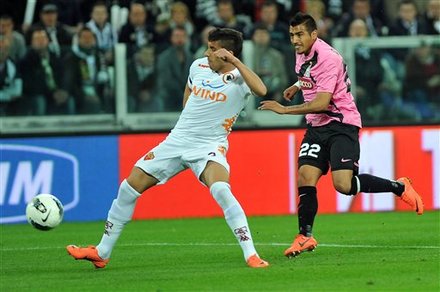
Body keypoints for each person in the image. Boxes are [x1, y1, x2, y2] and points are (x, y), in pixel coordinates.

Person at [66, 27, 269, 269]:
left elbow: (262, 90)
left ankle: (251, 254)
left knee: (222, 191)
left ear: (227, 53)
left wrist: (235, 62)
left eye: (213, 49)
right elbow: (189, 92)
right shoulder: (198, 66)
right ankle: (102, 252)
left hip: (209, 145)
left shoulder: (240, 78)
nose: (206, 53)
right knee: (128, 187)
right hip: (176, 140)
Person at [258, 12, 424, 258]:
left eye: (300, 34)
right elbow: (308, 77)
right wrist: (296, 86)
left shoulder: (328, 58)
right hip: (317, 126)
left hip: (341, 123)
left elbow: (322, 102)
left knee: (343, 185)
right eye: (292, 34)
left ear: (314, 34)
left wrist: (283, 110)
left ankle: (398, 187)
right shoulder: (302, 51)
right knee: (305, 175)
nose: (294, 39)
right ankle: (305, 236)